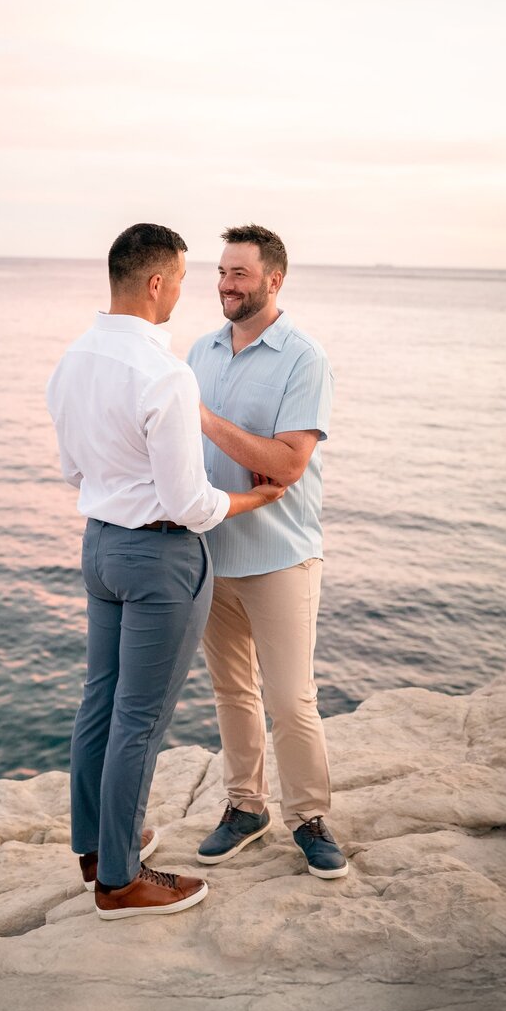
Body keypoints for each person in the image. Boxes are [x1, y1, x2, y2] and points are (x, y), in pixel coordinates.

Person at [46, 223, 284, 920]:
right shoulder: (166, 373)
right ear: (156, 283)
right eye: (181, 278)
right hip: (160, 557)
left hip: (100, 547)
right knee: (140, 720)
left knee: (99, 701)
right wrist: (259, 497)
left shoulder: (73, 359)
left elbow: (73, 470)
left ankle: (96, 849)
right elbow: (191, 504)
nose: (185, 290)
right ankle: (120, 882)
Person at [186, 224, 348, 879]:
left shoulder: (303, 358)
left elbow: (287, 464)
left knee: (290, 699)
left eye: (240, 274)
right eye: (221, 272)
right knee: (232, 693)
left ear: (273, 280)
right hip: (209, 553)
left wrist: (207, 421)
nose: (225, 284)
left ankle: (308, 818)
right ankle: (245, 808)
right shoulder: (199, 350)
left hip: (281, 557)